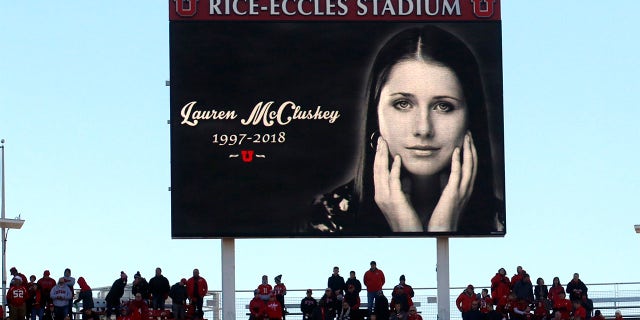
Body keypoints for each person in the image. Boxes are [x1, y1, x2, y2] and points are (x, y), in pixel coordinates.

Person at [311, 24, 502, 234]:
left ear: (470, 117)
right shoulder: (328, 215)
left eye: (443, 106)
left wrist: (442, 229)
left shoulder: (501, 221)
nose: (423, 128)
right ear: (376, 113)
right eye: (403, 104)